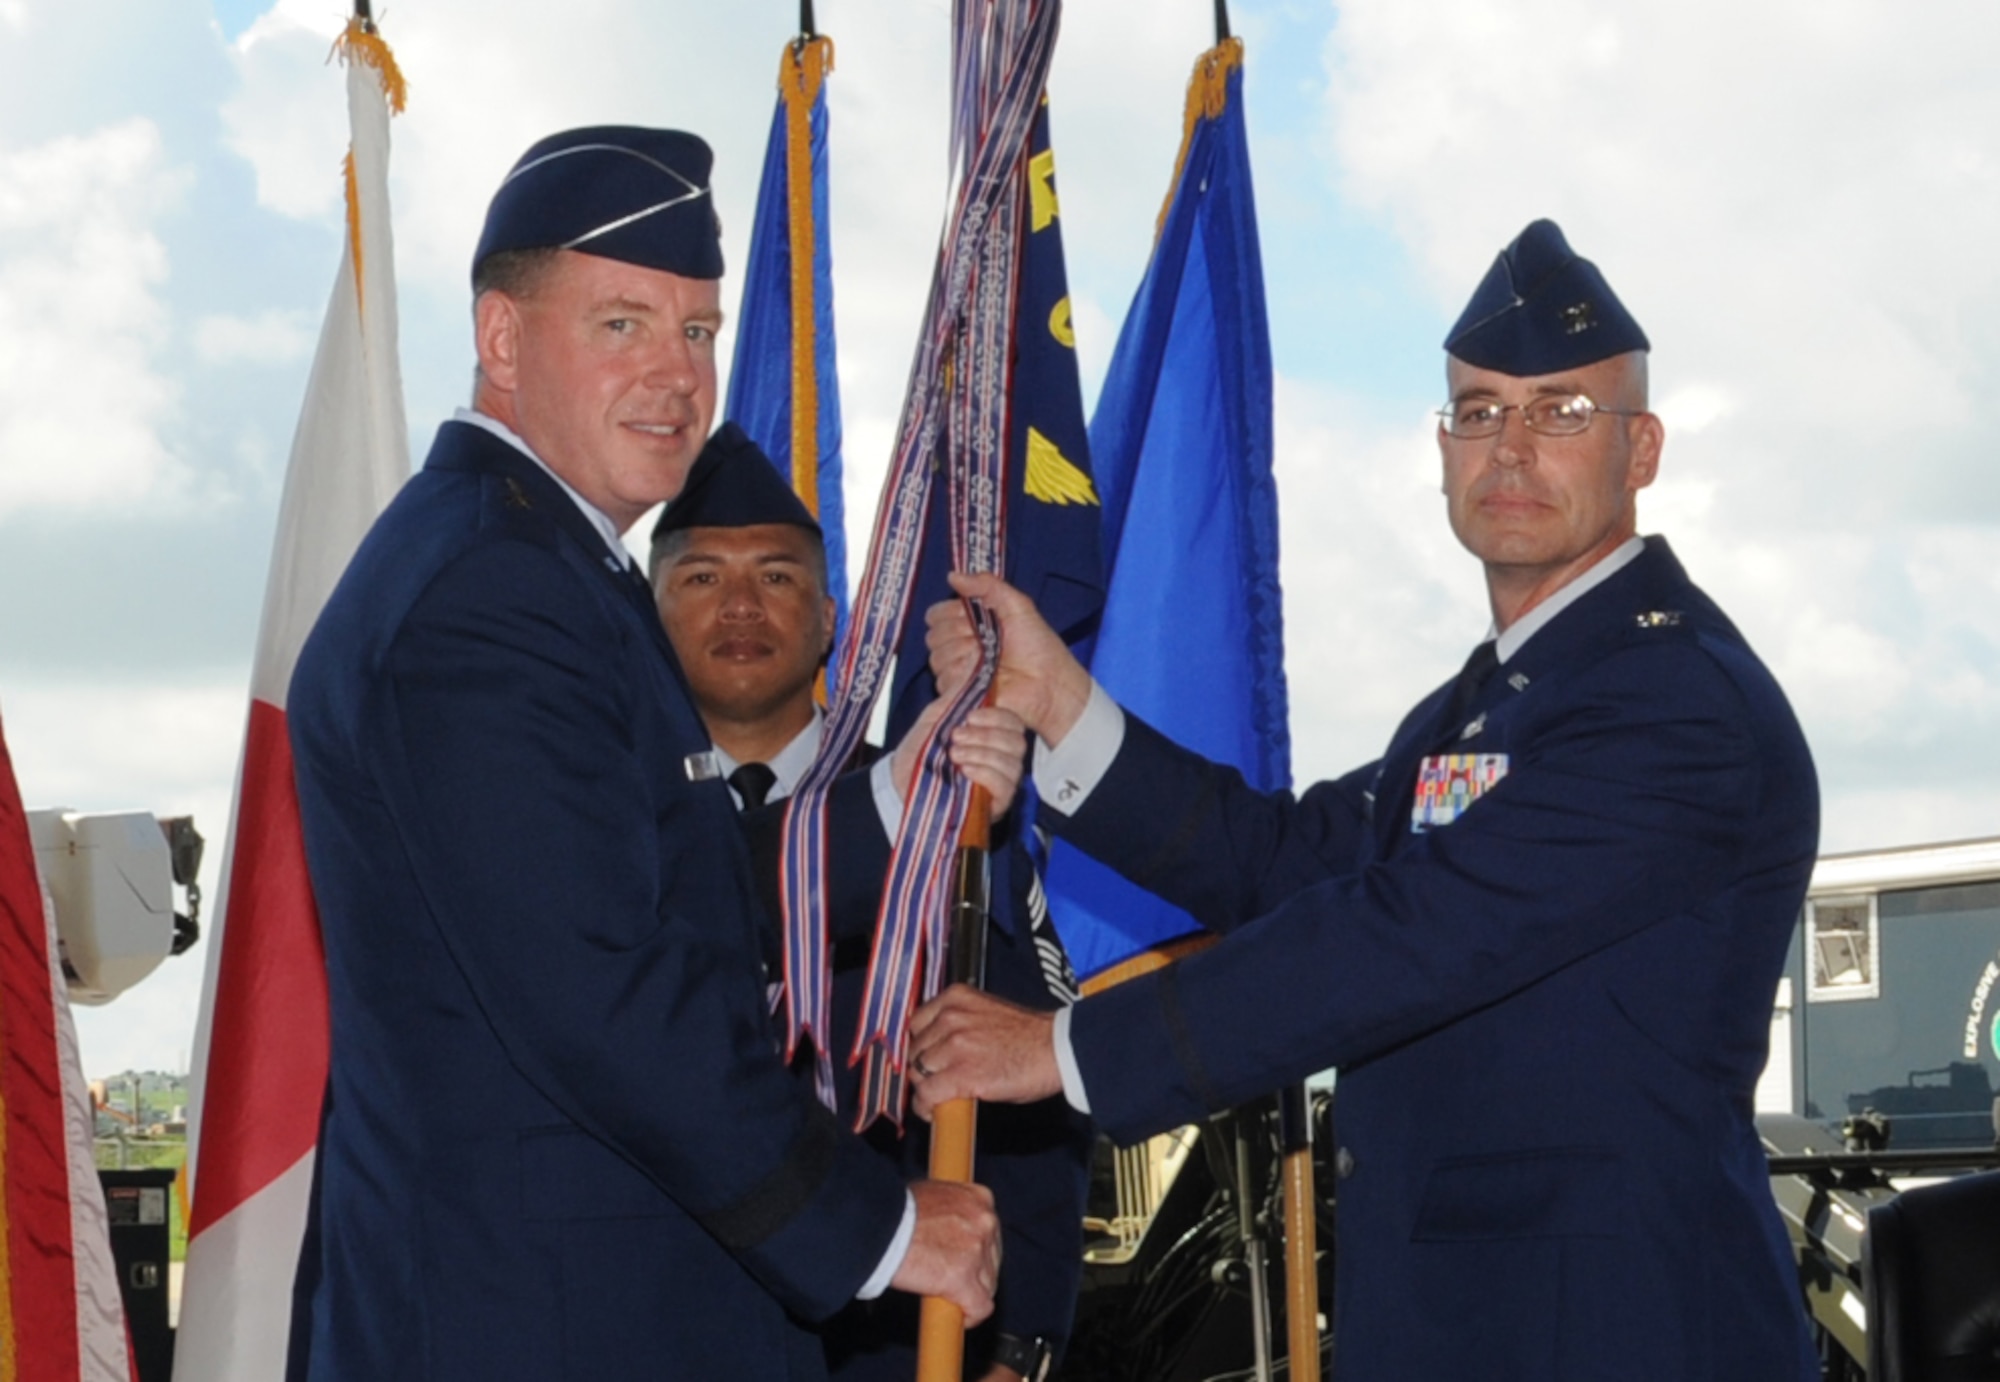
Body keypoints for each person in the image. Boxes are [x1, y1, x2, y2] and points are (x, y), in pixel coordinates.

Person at [908, 219, 1821, 1381]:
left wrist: (1065, 1047)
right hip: (1464, 1326)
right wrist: (1062, 702)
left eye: (1562, 413)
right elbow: (1291, 862)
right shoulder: (1481, 704)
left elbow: (1404, 935)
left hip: (1613, 1329)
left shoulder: (1673, 704)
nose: (1511, 447)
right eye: (1479, 411)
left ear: (1639, 450)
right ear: (1441, 447)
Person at [286, 126, 1000, 1382]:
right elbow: (603, 989)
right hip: (541, 1324)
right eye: (622, 323)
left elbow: (653, 884)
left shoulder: (535, 564)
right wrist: (878, 1225)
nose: (676, 374)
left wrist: (898, 795)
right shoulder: (489, 592)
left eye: (699, 331)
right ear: (501, 339)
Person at [649, 423, 1092, 1382]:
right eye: (699, 578)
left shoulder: (944, 819)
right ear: (648, 617)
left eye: (775, 577)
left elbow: (1028, 1097)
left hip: (896, 1348)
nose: (738, 606)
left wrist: (1020, 1349)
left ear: (831, 621)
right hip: (661, 1329)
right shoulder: (608, 826)